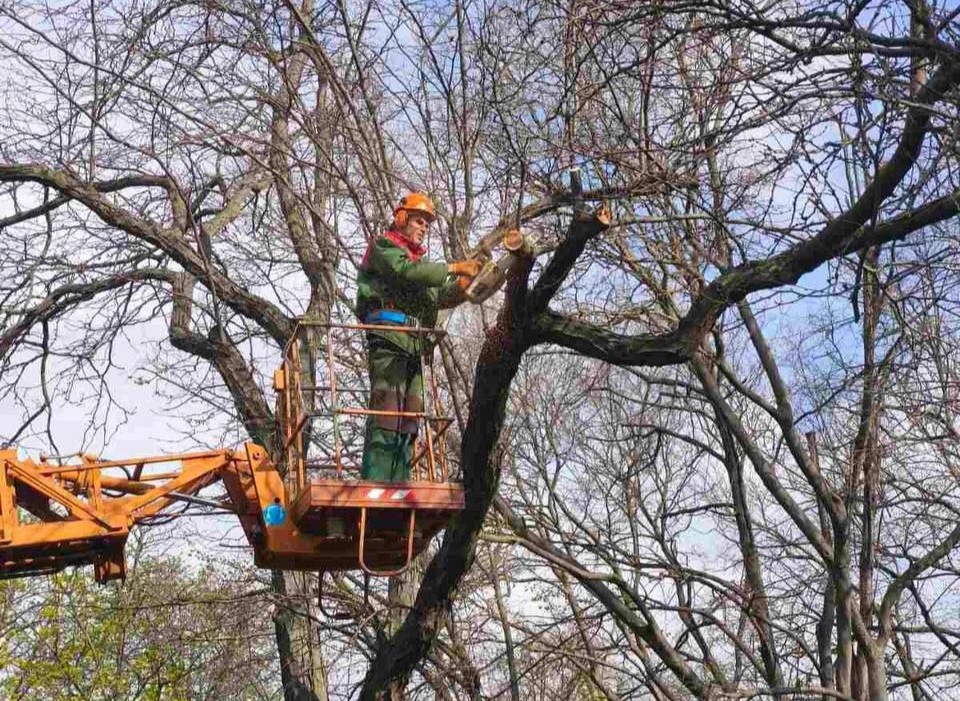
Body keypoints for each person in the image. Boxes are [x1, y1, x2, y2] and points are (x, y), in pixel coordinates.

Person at [355, 193, 480, 482]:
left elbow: (437, 297)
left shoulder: (421, 270)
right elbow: (406, 272)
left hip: (414, 344)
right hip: (389, 338)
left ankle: (399, 482)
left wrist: (463, 285)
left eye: (427, 224)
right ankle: (377, 481)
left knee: (410, 419)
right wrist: (452, 268)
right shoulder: (385, 247)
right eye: (419, 221)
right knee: (387, 413)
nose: (424, 228)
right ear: (401, 218)